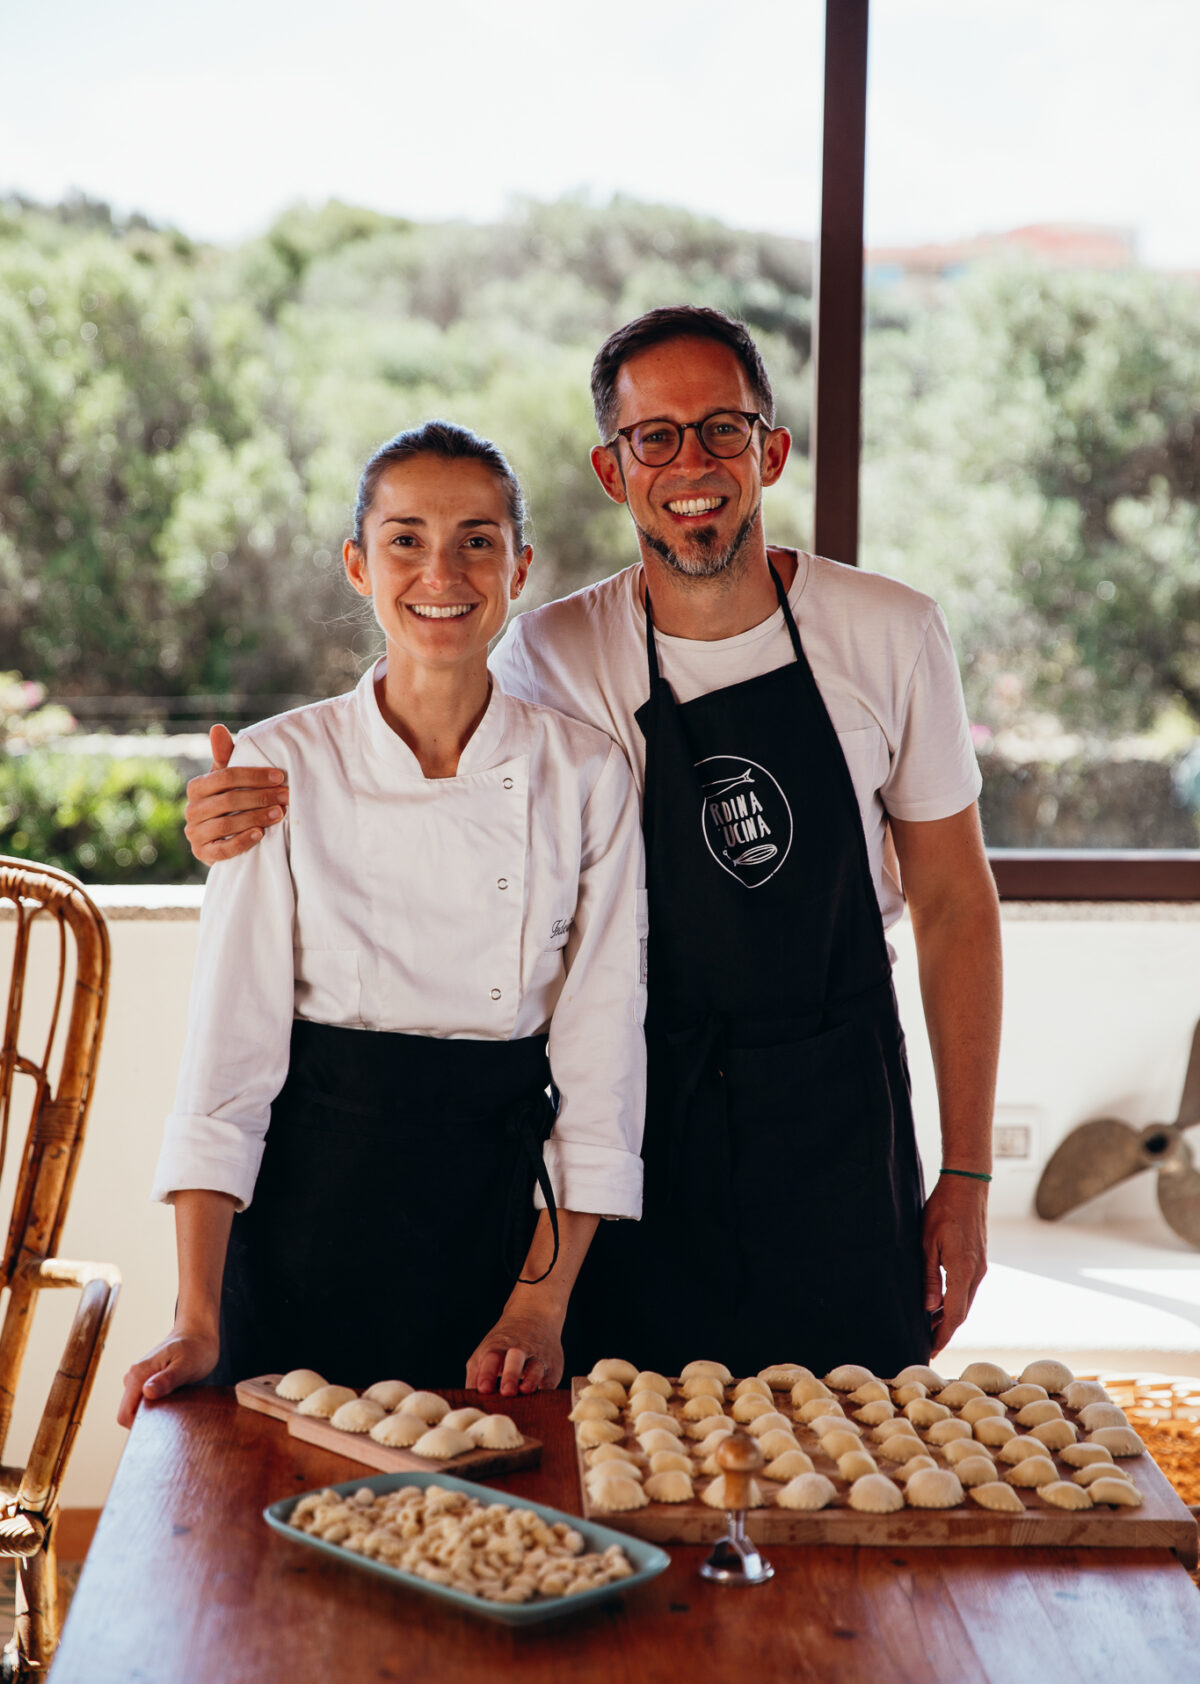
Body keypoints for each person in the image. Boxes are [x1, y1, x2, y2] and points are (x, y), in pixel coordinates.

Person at [182, 307, 1002, 1380]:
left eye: (722, 429)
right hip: (642, 1135)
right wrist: (239, 809)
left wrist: (970, 1178)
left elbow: (954, 904)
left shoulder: (891, 632)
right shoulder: (551, 651)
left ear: (772, 449)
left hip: (836, 1122)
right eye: (655, 438)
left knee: (852, 1471)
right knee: (631, 1464)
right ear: (614, 472)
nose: (691, 463)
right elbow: (429, 730)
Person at [118, 421, 646, 1428]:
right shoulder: (278, 768)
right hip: (308, 1221)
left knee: (497, 1537)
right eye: (405, 539)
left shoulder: (586, 775)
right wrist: (195, 1317)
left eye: (476, 540)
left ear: (520, 568)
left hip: (501, 1228)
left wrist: (540, 1305)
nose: (439, 570)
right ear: (359, 566)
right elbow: (226, 1064)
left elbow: (601, 1054)